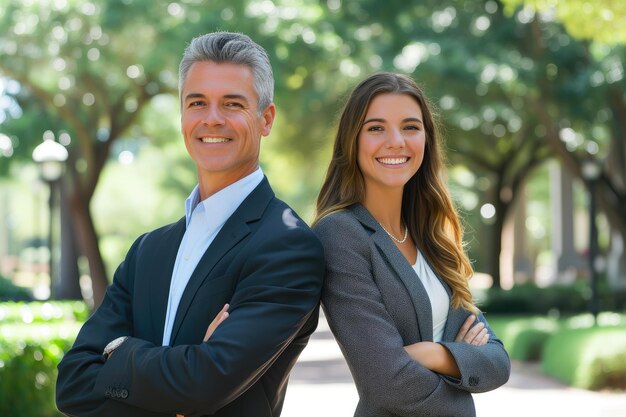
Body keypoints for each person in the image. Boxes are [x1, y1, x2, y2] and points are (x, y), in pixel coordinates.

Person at [56, 31, 325, 417]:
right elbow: (72, 383)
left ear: (265, 119)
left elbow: (204, 385)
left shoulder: (289, 246)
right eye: (197, 102)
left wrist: (120, 353)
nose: (212, 119)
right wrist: (183, 377)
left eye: (233, 104)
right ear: (182, 115)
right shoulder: (148, 250)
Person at [313, 72, 511, 416]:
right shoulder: (341, 234)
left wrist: (434, 353)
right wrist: (460, 367)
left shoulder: (431, 237)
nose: (396, 141)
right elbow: (388, 382)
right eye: (376, 128)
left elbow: (497, 360)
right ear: (352, 140)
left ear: (426, 139)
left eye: (410, 127)